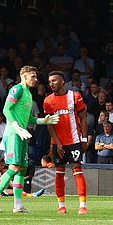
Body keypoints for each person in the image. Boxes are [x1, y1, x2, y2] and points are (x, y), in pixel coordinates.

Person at [0, 66, 58, 214]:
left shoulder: (28, 94)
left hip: (22, 134)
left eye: (36, 76)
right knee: (14, 168)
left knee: (21, 170)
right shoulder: (17, 89)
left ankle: (18, 205)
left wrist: (42, 121)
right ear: (24, 77)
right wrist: (16, 127)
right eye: (32, 76)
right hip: (14, 134)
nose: (36, 79)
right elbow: (7, 109)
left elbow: (28, 118)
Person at [43, 70, 89, 214]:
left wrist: (84, 138)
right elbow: (49, 125)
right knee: (59, 173)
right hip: (58, 143)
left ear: (63, 81)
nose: (52, 84)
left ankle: (82, 205)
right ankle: (61, 206)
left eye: (54, 81)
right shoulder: (48, 101)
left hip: (74, 140)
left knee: (77, 170)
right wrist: (57, 142)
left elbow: (82, 118)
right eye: (50, 81)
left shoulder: (75, 96)